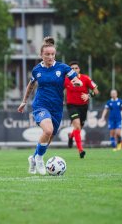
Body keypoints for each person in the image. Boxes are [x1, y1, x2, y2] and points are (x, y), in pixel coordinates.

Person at [17, 36, 83, 175]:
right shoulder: (37, 70)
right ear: (41, 55)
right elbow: (31, 86)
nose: (50, 56)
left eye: (52, 54)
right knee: (47, 131)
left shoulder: (62, 67)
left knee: (49, 137)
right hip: (41, 105)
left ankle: (33, 158)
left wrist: (77, 82)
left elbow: (77, 79)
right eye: (47, 54)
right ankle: (39, 158)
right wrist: (24, 101)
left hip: (57, 107)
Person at [64, 61, 99, 158]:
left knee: (78, 129)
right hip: (71, 106)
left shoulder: (85, 78)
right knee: (78, 127)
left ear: (79, 69)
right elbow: (59, 90)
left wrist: (88, 95)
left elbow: (96, 90)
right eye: (72, 68)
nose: (74, 70)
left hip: (83, 107)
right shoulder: (66, 79)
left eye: (76, 68)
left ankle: (71, 136)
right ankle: (80, 150)